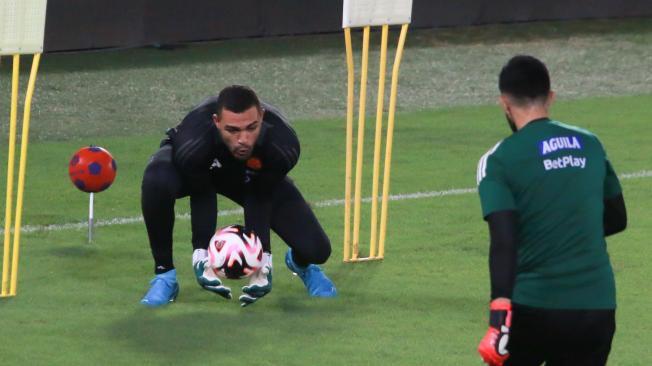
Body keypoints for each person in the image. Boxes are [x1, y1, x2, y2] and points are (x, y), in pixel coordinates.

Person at [476, 55, 627, 365]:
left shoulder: (499, 160)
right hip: (596, 308)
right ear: (551, 97)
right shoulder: (590, 143)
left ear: (505, 103)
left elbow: (504, 241)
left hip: (534, 307)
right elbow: (616, 219)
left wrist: (498, 318)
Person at [140, 85, 337, 307]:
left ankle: (300, 264)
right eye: (232, 130)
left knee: (318, 250)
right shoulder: (193, 140)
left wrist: (263, 261)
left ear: (261, 116)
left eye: (251, 128)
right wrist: (201, 254)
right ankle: (164, 275)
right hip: (198, 169)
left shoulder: (282, 144)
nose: (243, 139)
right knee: (156, 180)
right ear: (216, 122)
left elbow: (259, 194)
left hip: (249, 177)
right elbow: (202, 191)